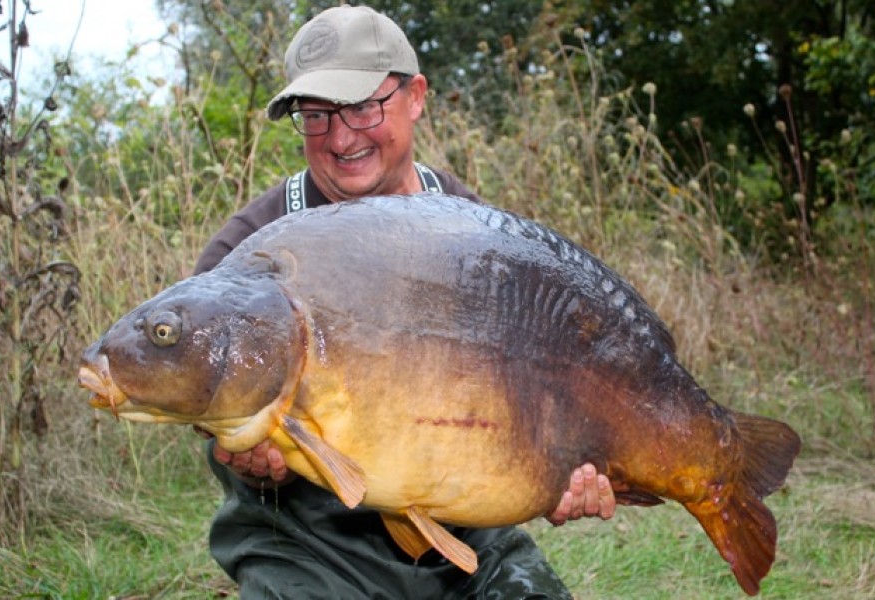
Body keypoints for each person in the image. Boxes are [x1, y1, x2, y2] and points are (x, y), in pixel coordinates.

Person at [194, 5, 615, 599]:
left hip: (463, 532)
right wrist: (240, 448)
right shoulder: (247, 251)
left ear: (415, 96)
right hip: (307, 544)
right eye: (316, 116)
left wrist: (556, 470)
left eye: (365, 106)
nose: (342, 138)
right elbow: (196, 397)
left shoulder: (470, 226)